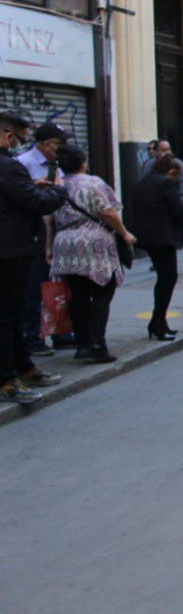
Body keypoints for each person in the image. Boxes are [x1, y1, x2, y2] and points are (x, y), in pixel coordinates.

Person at [0, 111, 66, 404]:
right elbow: (35, 203)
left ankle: (22, 366)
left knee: (11, 316)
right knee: (7, 316)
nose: (19, 144)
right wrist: (59, 193)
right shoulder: (9, 168)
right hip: (11, 252)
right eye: (20, 137)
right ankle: (6, 379)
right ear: (6, 135)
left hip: (11, 249)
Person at [49, 145, 136, 364]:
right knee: (101, 292)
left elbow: (48, 218)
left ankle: (83, 343)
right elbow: (108, 211)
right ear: (83, 163)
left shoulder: (57, 186)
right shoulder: (93, 183)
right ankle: (97, 343)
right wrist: (124, 233)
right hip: (93, 242)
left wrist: (49, 247)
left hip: (65, 243)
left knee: (78, 294)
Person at [17, 122, 73, 356]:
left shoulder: (56, 166)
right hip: (35, 234)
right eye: (57, 144)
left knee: (57, 285)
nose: (59, 149)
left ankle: (59, 331)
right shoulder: (24, 164)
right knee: (33, 288)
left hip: (56, 231)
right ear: (44, 143)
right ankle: (32, 336)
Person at [130, 156, 183, 340]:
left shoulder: (142, 183)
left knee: (164, 277)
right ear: (171, 171)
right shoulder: (166, 184)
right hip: (163, 237)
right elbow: (178, 210)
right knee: (168, 278)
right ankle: (157, 322)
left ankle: (160, 322)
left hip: (146, 237)